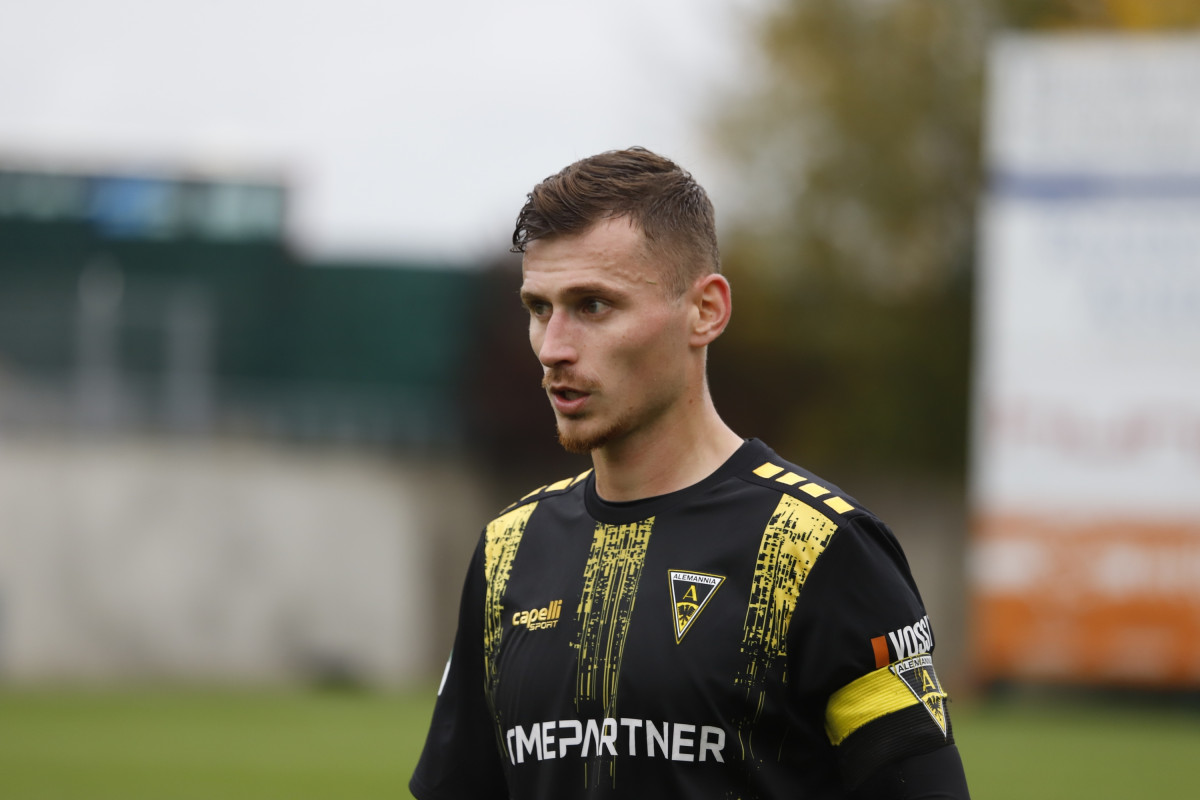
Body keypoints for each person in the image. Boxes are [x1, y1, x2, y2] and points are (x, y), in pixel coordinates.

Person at [410, 147, 970, 799]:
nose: (554, 347)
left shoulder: (818, 549)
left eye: (593, 305)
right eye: (539, 308)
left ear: (705, 310)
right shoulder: (509, 550)